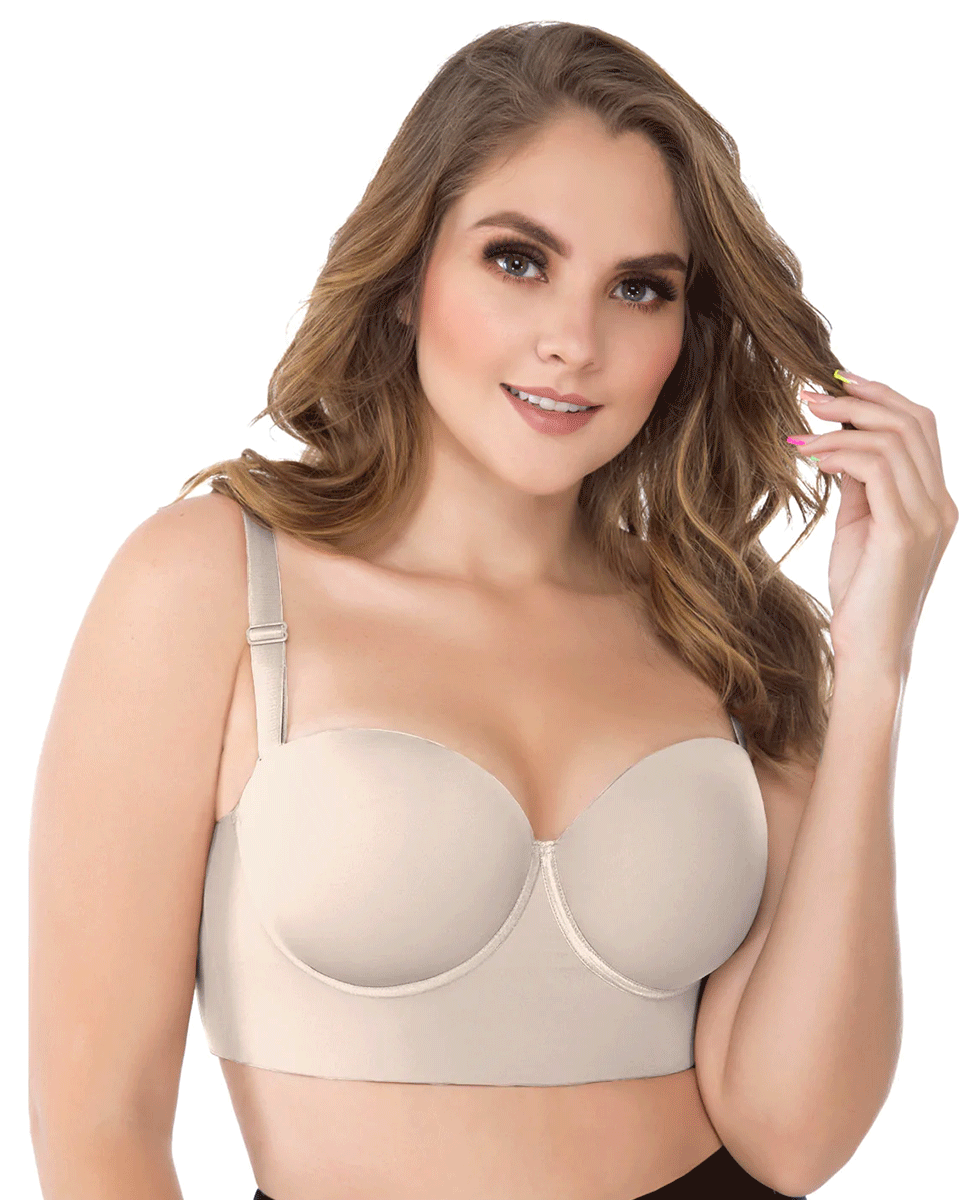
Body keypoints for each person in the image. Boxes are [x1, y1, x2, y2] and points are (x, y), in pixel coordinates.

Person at [34, 19, 954, 1200]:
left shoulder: (722, 631)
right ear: (408, 276)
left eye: (638, 288)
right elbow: (97, 1126)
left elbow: (793, 1137)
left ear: (683, 334)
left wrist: (873, 663)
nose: (573, 342)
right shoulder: (212, 585)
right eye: (518, 260)